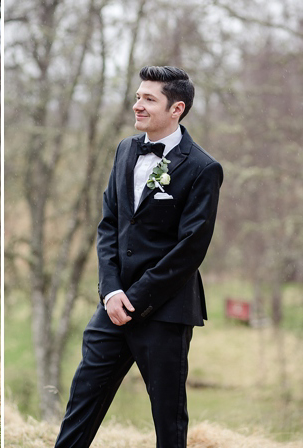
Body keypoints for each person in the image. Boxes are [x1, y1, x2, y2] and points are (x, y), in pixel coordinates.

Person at [55, 66, 223, 447]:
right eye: (137, 96)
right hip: (112, 307)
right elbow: (109, 224)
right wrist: (112, 292)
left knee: (168, 418)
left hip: (165, 309)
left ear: (176, 108)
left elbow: (191, 248)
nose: (138, 105)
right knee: (82, 402)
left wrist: (137, 297)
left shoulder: (202, 168)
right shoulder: (125, 148)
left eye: (149, 99)